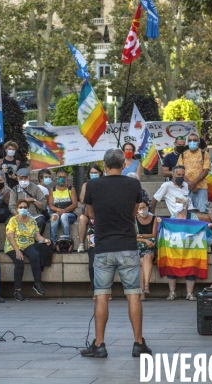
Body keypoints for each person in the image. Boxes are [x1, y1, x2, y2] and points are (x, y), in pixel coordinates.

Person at [81, 148, 151, 358]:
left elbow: (90, 213)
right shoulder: (133, 184)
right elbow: (134, 211)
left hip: (103, 246)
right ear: (123, 165)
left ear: (103, 165)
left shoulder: (92, 184)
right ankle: (138, 343)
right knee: (133, 294)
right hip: (128, 245)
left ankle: (99, 344)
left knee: (101, 293)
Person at [5, 199, 52, 301]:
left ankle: (37, 284)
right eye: (21, 207)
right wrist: (17, 250)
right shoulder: (13, 220)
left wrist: (45, 240)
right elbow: (10, 236)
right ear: (17, 209)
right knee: (19, 261)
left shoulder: (32, 221)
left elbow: (37, 236)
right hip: (13, 245)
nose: (23, 209)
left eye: (25, 207)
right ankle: (17, 290)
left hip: (28, 244)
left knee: (35, 256)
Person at [159, 196, 200, 301]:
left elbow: (198, 228)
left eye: (179, 202)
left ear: (185, 205)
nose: (176, 204)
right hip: (175, 248)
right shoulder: (173, 217)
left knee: (191, 266)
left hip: (190, 248)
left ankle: (190, 293)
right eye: (176, 202)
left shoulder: (193, 217)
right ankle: (172, 293)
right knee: (171, 265)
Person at [177, 134, 211, 213]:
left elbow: (206, 170)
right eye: (190, 140)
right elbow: (179, 170)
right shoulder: (183, 155)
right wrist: (190, 185)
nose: (192, 142)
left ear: (198, 142)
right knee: (186, 212)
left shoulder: (204, 154)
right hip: (186, 188)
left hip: (201, 188)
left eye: (194, 140)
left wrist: (193, 183)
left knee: (202, 212)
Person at [9, 168, 48, 234]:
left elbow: (43, 205)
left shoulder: (36, 188)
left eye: (25, 178)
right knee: (8, 222)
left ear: (29, 177)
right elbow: (11, 206)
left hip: (34, 215)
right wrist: (18, 215)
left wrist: (33, 200)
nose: (23, 180)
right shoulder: (14, 190)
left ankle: (36, 240)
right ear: (18, 178)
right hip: (19, 214)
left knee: (41, 221)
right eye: (21, 178)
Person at [48, 168, 78, 248]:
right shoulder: (53, 190)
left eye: (64, 177)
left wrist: (64, 211)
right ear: (56, 178)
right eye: (60, 177)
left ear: (66, 178)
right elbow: (51, 205)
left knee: (64, 216)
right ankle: (53, 243)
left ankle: (67, 241)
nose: (62, 178)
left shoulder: (71, 189)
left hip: (69, 215)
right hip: (57, 213)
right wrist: (59, 211)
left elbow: (75, 204)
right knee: (54, 217)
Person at [77, 164, 103, 253]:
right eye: (92, 172)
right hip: (88, 210)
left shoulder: (103, 183)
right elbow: (82, 200)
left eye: (95, 172)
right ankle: (81, 244)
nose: (93, 174)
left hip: (100, 210)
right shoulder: (85, 185)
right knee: (82, 219)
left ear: (100, 173)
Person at [136, 200, 157, 301]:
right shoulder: (134, 220)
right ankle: (143, 290)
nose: (142, 210)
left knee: (148, 257)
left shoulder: (154, 218)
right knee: (141, 261)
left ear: (147, 207)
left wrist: (140, 236)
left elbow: (154, 234)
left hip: (150, 245)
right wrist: (144, 239)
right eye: (140, 208)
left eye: (144, 208)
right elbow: (132, 236)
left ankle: (146, 286)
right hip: (138, 245)